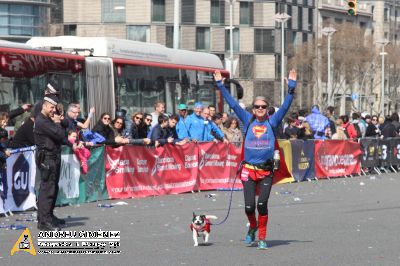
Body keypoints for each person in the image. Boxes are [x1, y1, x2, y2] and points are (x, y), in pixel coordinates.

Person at [214, 69, 297, 250]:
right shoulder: (247, 118)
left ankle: (262, 236)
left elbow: (285, 107)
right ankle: (252, 226)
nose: (260, 109)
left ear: (267, 109)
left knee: (262, 204)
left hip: (266, 170)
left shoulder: (272, 122)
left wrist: (291, 88)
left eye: (263, 107)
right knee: (250, 207)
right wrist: (220, 85)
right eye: (257, 106)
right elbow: (233, 103)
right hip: (248, 170)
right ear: (252, 109)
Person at [34, 94, 65, 231]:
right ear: (44, 106)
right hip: (47, 158)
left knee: (53, 187)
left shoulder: (47, 119)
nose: (53, 110)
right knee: (48, 189)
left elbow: (61, 136)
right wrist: (57, 123)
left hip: (52, 156)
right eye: (51, 107)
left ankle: (49, 216)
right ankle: (43, 222)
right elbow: (59, 135)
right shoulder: (42, 121)